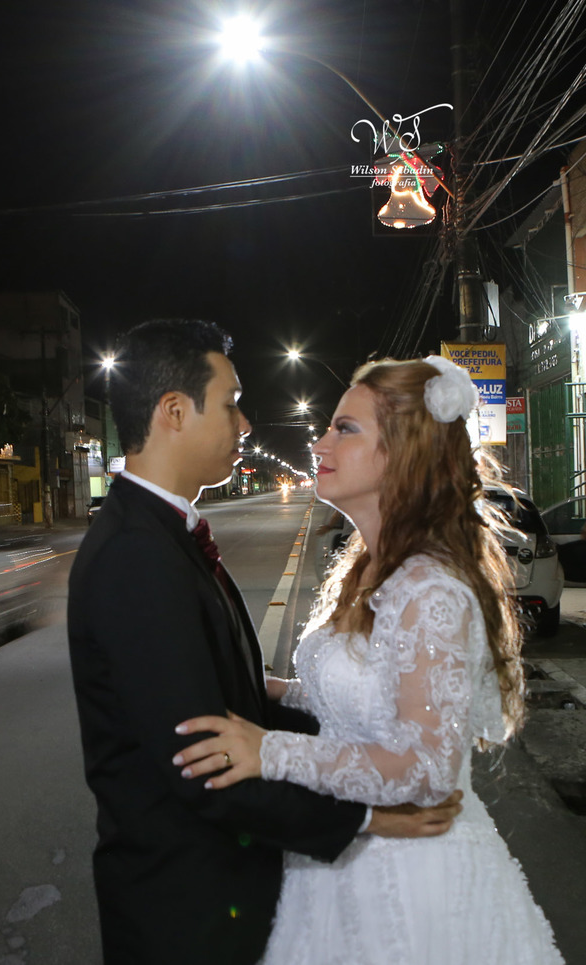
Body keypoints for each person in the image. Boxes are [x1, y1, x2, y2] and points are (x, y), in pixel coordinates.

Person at [66, 320, 462, 965]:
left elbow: (241, 718)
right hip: (187, 913)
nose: (244, 424)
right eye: (229, 404)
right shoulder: (137, 556)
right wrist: (369, 820)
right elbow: (205, 761)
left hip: (227, 895)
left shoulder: (160, 536)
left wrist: (302, 714)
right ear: (173, 411)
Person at [172, 355, 564, 964]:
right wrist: (279, 691)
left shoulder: (431, 589)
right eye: (328, 427)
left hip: (414, 885)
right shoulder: (371, 566)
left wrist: (268, 750)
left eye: (345, 429)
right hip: (339, 873)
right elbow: (373, 699)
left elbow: (426, 769)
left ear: (401, 454)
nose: (321, 443)